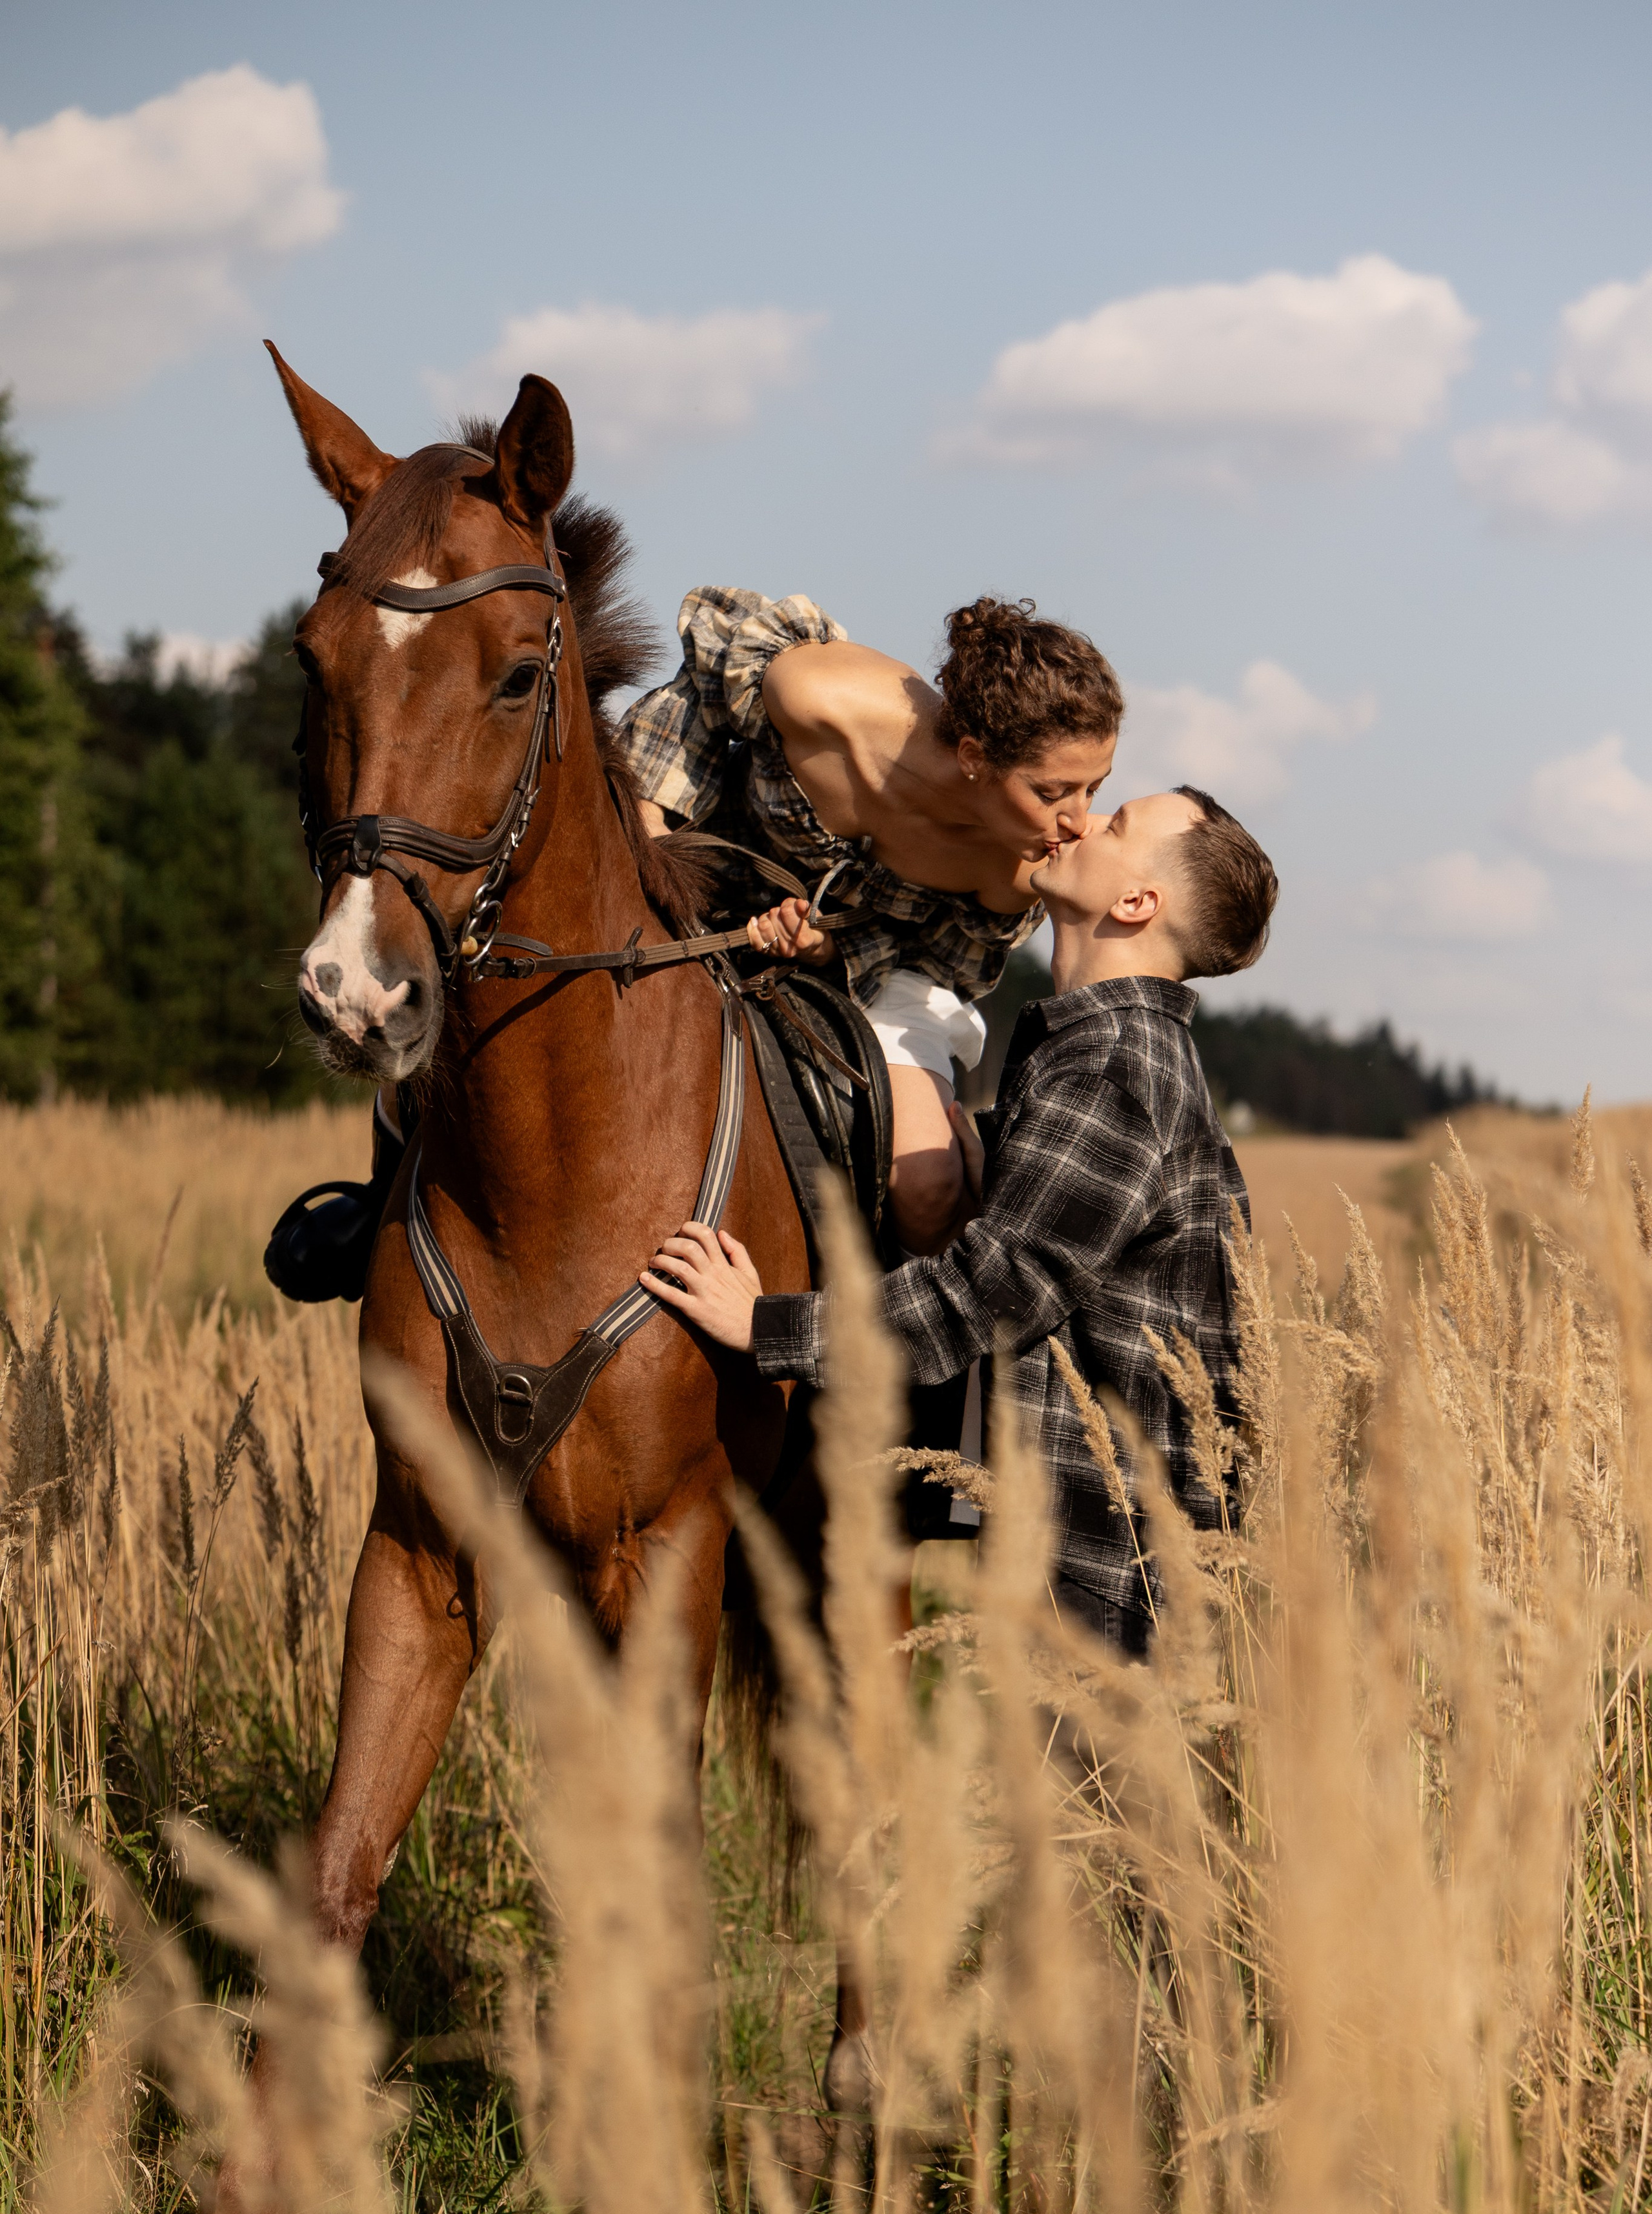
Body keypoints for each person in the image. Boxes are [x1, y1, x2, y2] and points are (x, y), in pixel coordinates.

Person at [264, 594, 1123, 1301]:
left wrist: (827, 952)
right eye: (1056, 790)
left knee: (928, 1190)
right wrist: (653, 843)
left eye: (1096, 787)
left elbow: (947, 963)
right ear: (972, 756)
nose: (1079, 821)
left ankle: (876, 1372)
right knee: (502, 1003)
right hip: (704, 872)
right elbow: (699, 701)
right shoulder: (823, 696)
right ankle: (382, 1207)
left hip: (885, 968)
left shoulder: (1025, 867)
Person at [638, 786, 1280, 1652]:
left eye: (1116, 823)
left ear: (1136, 902)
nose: (1080, 820)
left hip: (1113, 1574)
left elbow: (986, 1296)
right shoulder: (1107, 1052)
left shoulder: (1116, 1068)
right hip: (1099, 1559)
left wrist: (762, 1326)